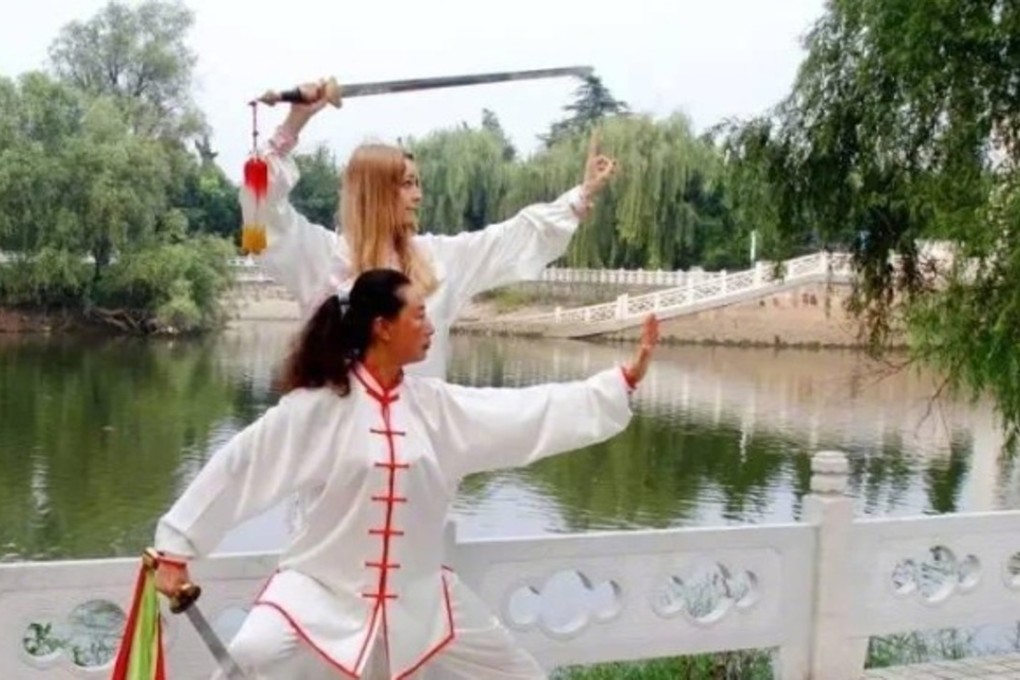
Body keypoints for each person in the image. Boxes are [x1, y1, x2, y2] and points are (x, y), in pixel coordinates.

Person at [152, 268, 659, 679]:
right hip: (318, 592)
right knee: (252, 654)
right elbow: (242, 466)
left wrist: (616, 386)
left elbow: (528, 411)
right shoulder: (317, 408)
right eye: (419, 315)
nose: (431, 326)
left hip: (420, 599)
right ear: (383, 326)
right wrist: (177, 546)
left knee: (517, 674)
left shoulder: (437, 408)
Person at [242, 79, 618, 378]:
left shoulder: (438, 261)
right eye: (407, 184)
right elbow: (261, 210)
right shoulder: (323, 258)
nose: (418, 195)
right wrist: (294, 123)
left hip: (416, 449)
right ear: (375, 192)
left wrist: (578, 197)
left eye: (418, 183)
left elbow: (510, 237)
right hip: (336, 456)